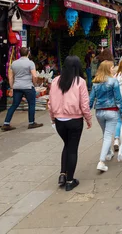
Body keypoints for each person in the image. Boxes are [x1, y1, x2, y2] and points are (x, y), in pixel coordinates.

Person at [48, 56, 92, 191]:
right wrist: (88, 119)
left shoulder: (56, 81)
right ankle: (70, 180)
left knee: (67, 145)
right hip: (75, 120)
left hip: (59, 121)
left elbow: (50, 103)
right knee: (72, 149)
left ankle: (63, 173)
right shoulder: (80, 82)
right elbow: (85, 104)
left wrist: (53, 118)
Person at [89, 60, 122, 172]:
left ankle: (109, 153)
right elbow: (118, 99)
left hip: (99, 112)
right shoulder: (113, 81)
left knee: (105, 134)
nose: (113, 69)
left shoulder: (96, 82)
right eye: (112, 67)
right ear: (108, 69)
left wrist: (86, 113)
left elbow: (90, 100)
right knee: (108, 135)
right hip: (112, 111)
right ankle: (101, 161)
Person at [2, 47, 42, 131]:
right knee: (31, 104)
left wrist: (12, 87)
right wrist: (34, 84)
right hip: (28, 86)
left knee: (14, 105)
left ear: (19, 53)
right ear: (28, 53)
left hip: (17, 86)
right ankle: (31, 123)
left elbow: (10, 76)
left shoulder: (14, 63)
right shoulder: (30, 63)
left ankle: (6, 123)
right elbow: (34, 76)